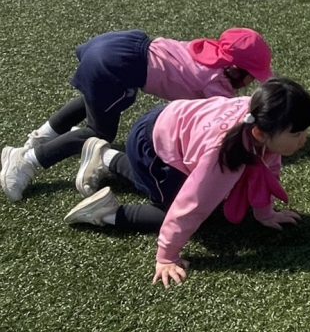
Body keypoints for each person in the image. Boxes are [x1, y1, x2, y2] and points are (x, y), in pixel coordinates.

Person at [63, 78, 310, 287]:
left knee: (204, 196)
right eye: (296, 133)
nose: (305, 139)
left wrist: (266, 213)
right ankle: (106, 213)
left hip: (170, 123)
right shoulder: (223, 156)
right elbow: (191, 206)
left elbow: (267, 171)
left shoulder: (263, 116)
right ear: (260, 133)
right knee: (174, 211)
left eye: (305, 130)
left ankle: (105, 157)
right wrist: (166, 257)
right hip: (152, 147)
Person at [0, 28, 273, 202]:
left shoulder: (207, 52)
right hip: (119, 66)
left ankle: (41, 136)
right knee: (98, 133)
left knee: (97, 99)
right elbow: (227, 120)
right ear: (235, 69)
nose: (252, 82)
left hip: (121, 44)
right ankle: (26, 161)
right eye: (251, 75)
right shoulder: (216, 84)